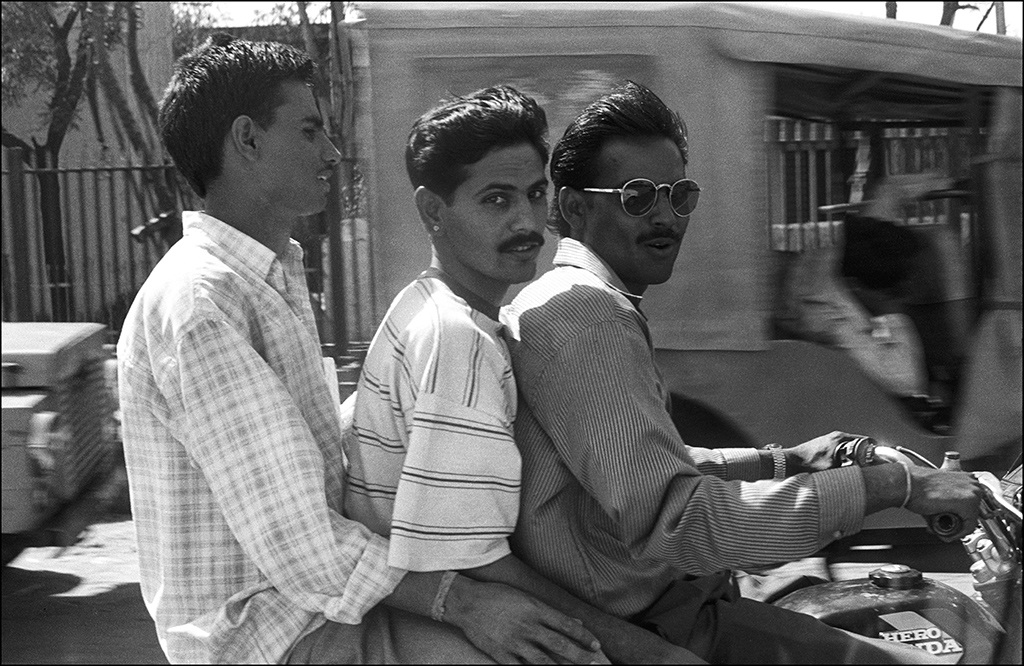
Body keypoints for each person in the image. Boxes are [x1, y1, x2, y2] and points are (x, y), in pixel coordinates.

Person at [117, 35, 618, 665]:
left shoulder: (265, 278)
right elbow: (299, 545)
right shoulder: (203, 303)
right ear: (247, 140)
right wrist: (464, 603)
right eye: (309, 131)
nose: (331, 153)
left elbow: (324, 461)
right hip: (275, 634)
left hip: (318, 603)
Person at [501, 81, 986, 664]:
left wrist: (790, 459)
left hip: (670, 602)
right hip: (660, 625)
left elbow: (648, 465)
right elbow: (679, 520)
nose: (665, 216)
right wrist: (893, 487)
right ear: (577, 208)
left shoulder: (587, 301)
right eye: (637, 197)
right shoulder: (586, 314)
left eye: (679, 196)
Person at [344, 85, 701, 665]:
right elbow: (478, 564)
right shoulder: (456, 339)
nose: (527, 221)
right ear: (433, 212)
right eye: (495, 200)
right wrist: (643, 651)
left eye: (535, 195)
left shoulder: (428, 308)